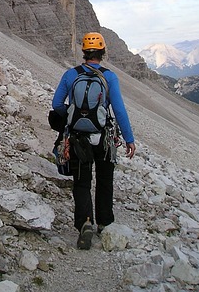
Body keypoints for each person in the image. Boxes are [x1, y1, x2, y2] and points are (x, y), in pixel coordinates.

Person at [51, 31, 136, 250]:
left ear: (84, 52)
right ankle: (105, 222)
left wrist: (72, 117)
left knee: (81, 182)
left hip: (78, 137)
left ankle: (85, 223)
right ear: (102, 52)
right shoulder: (109, 76)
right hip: (104, 138)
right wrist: (129, 138)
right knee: (105, 180)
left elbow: (57, 104)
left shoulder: (71, 75)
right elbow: (118, 109)